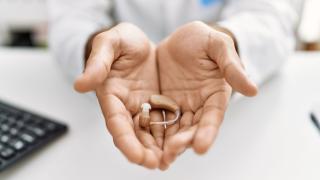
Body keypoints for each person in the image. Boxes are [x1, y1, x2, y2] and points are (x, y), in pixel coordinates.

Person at [48, 0, 303, 170]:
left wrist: (225, 44)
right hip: (110, 118)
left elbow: (270, 16)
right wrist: (98, 48)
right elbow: (71, 17)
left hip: (236, 131)